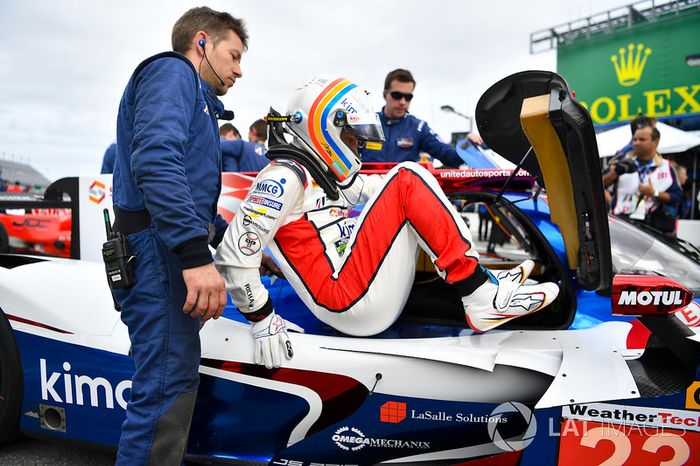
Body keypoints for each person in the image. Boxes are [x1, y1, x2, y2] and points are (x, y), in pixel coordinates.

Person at [215, 75, 559, 369]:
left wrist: (459, 183)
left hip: (356, 293)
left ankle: (480, 280)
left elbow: (385, 189)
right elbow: (234, 253)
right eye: (351, 136)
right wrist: (262, 320)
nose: (357, 146)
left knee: (412, 177)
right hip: (344, 301)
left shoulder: (325, 174)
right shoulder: (284, 178)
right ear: (323, 127)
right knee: (407, 176)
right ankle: (479, 293)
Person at [110, 7, 247, 464]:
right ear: (202, 42)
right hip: (158, 254)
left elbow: (189, 197)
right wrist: (194, 256)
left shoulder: (196, 100)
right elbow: (155, 162)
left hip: (158, 246)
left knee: (167, 380)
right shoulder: (173, 72)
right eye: (234, 55)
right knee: (165, 385)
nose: (239, 70)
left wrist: (234, 243)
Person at [360, 68, 483, 167]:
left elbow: (450, 157)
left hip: (401, 193)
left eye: (408, 97)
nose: (403, 102)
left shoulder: (418, 128)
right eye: (397, 95)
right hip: (366, 194)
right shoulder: (366, 123)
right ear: (384, 95)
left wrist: (468, 145)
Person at [603, 125, 682, 236]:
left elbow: (677, 197)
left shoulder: (666, 167)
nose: (636, 143)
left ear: (656, 141)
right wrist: (614, 173)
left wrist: (654, 193)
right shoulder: (622, 163)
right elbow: (597, 185)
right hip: (621, 225)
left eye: (642, 139)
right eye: (635, 139)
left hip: (653, 228)